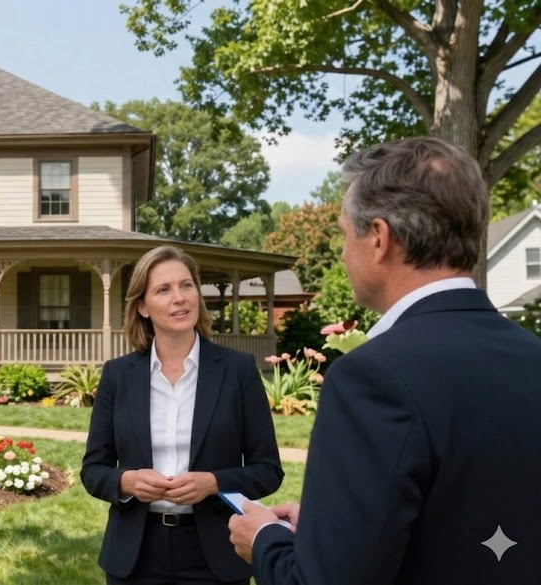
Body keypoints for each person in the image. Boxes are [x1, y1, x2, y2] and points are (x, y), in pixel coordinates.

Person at [228, 137, 541, 584]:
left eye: (343, 233)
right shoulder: (532, 357)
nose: (341, 251)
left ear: (379, 238)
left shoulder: (372, 378)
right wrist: (330, 529)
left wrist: (264, 540)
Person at [82, 244, 284, 584]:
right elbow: (93, 470)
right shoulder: (118, 375)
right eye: (164, 289)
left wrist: (214, 483)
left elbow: (268, 470)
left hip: (217, 553)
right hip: (134, 555)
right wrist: (126, 481)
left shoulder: (237, 371)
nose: (180, 297)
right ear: (143, 306)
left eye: (186, 285)